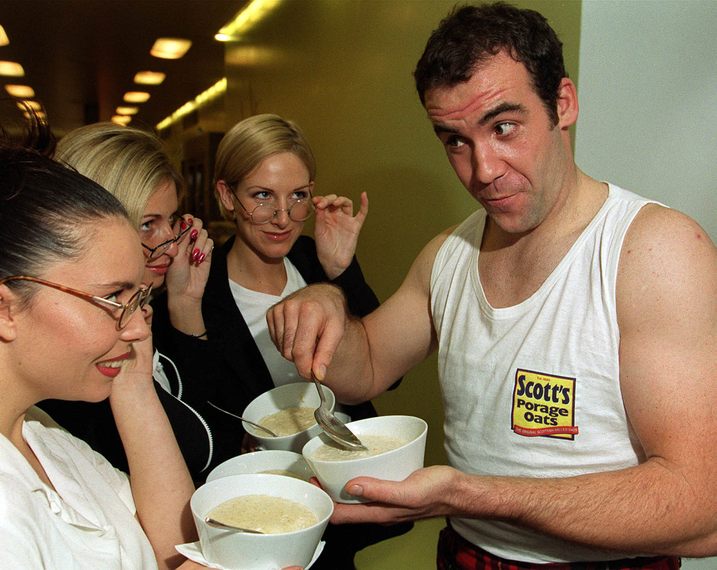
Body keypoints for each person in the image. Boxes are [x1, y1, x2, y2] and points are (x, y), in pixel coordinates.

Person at [266, 3, 717, 569]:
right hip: (465, 555)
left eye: (504, 127)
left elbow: (703, 508)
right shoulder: (448, 254)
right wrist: (328, 300)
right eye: (454, 140)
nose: (482, 169)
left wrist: (468, 494)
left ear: (563, 104)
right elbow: (366, 367)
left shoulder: (652, 252)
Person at [0, 123, 205, 569]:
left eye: (138, 299)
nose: (136, 328)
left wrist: (132, 381)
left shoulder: (34, 426)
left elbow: (175, 550)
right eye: (112, 298)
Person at [151, 113, 411, 569]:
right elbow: (192, 418)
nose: (283, 218)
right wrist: (183, 312)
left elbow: (387, 375)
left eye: (298, 197)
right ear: (227, 196)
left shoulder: (315, 262)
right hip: (264, 514)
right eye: (262, 196)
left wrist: (342, 270)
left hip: (337, 497)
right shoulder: (197, 286)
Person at [39, 123, 239, 482]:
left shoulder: (142, 309)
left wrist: (185, 302)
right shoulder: (85, 345)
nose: (173, 243)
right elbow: (199, 448)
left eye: (172, 220)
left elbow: (204, 408)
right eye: (148, 224)